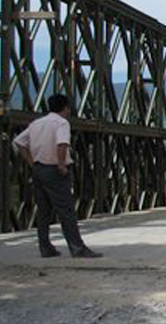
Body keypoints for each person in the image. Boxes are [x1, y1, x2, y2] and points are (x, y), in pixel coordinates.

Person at [13, 94, 103, 258]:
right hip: (54, 170)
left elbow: (19, 141)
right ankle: (77, 248)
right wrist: (61, 164)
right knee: (66, 209)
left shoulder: (36, 123)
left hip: (39, 169)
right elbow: (62, 143)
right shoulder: (61, 123)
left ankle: (45, 247)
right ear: (65, 108)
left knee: (43, 210)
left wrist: (31, 162)